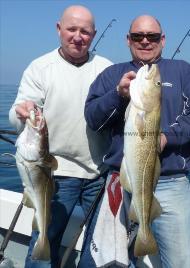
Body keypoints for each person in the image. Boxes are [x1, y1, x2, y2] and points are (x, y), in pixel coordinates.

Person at [81, 15, 190, 268]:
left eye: (152, 36)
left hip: (171, 185)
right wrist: (118, 95)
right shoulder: (111, 75)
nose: (145, 41)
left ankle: (145, 237)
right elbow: (93, 119)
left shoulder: (184, 71)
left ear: (163, 40)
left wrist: (166, 138)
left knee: (182, 263)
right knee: (106, 261)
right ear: (128, 40)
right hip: (119, 180)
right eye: (138, 36)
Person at [9, 5, 112, 268]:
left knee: (101, 246)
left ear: (94, 34)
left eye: (85, 31)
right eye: (72, 29)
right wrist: (22, 113)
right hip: (54, 174)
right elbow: (17, 111)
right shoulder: (40, 68)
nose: (78, 36)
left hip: (99, 175)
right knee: (44, 242)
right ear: (58, 29)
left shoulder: (107, 69)